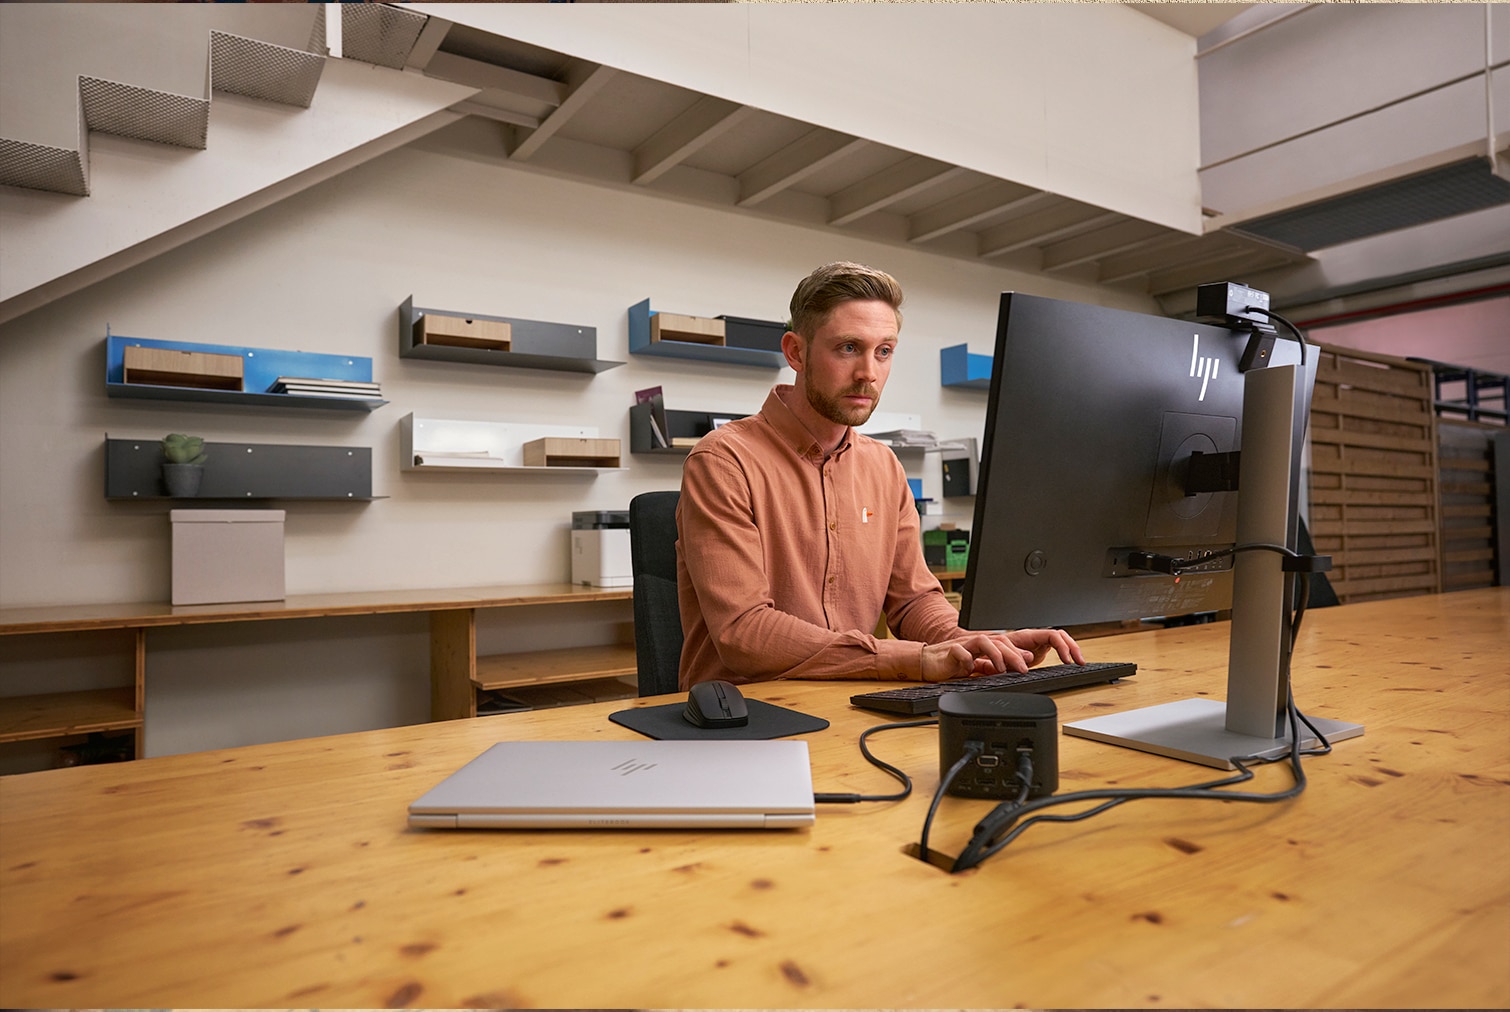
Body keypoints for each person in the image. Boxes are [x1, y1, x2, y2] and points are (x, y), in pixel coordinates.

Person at [676, 261, 1083, 689]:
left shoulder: (885, 467)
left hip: (854, 703)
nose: (869, 372)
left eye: (883, 351)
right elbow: (745, 633)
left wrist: (977, 643)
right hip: (747, 718)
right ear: (796, 352)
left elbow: (913, 603)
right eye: (848, 348)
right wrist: (918, 659)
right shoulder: (723, 461)